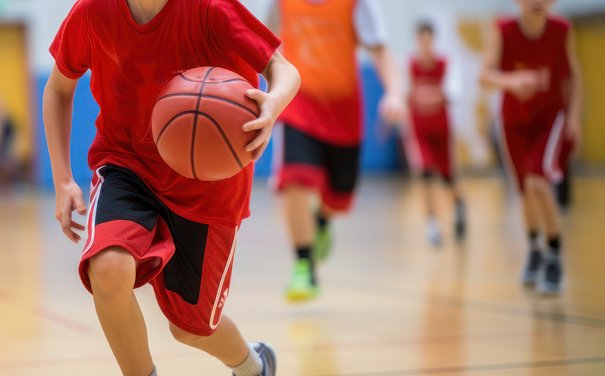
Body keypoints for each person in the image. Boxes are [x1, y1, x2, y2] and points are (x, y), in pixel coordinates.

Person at [43, 0, 300, 375]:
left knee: (191, 330)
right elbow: (57, 90)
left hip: (209, 186)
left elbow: (283, 68)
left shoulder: (211, 9)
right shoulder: (92, 12)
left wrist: (273, 103)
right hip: (128, 166)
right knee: (109, 268)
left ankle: (253, 365)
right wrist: (63, 179)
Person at [266, 0, 406, 302]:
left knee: (339, 195)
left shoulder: (358, 4)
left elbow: (380, 49)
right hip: (298, 105)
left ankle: (322, 222)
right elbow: (265, 45)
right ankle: (304, 264)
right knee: (295, 180)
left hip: (343, 111)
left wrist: (395, 94)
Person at [480, 0, 581, 294]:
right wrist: (512, 81)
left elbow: (572, 77)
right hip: (514, 122)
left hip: (550, 119)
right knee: (524, 189)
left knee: (539, 181)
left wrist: (574, 116)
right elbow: (483, 75)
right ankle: (534, 249)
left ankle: (554, 254)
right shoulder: (503, 29)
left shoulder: (561, 30)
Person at [407, 21, 466, 246]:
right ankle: (432, 225)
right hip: (420, 131)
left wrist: (432, 98)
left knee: (448, 177)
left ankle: (459, 204)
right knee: (426, 175)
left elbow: (452, 95)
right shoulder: (410, 65)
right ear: (417, 41)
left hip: (441, 130)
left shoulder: (445, 64)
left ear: (433, 40)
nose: (425, 44)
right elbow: (406, 96)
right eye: (421, 40)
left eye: (428, 39)